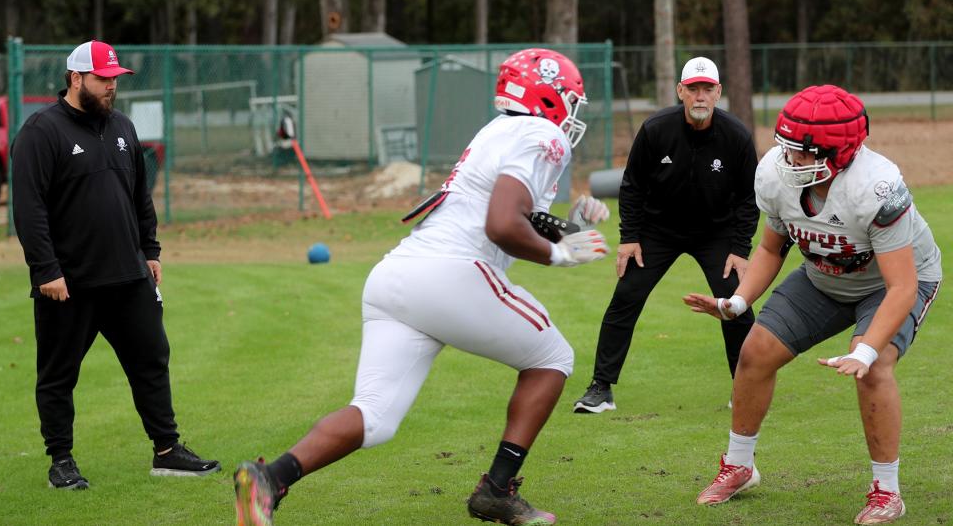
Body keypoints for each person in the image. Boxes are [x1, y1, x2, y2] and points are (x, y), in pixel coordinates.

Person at [232, 48, 611, 526]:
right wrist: (561, 253)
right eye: (569, 100)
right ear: (549, 95)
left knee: (374, 417)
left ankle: (269, 479)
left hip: (397, 275)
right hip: (452, 274)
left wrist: (570, 228)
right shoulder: (541, 133)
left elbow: (515, 215)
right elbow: (501, 223)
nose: (571, 114)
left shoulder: (497, 130)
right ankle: (496, 489)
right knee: (553, 359)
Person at [685, 84, 941, 524]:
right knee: (755, 352)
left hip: (891, 282)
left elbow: (902, 286)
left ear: (839, 151)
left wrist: (864, 349)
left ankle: (887, 492)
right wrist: (738, 302)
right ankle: (740, 465)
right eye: (786, 147)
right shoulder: (774, 174)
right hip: (824, 276)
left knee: (875, 369)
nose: (790, 159)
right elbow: (770, 249)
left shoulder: (877, 187)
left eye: (802, 151)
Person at [10, 40, 220, 490]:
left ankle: (167, 450)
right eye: (103, 78)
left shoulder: (123, 127)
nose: (111, 86)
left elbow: (140, 196)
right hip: (69, 283)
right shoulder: (40, 133)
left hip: (128, 276)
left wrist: (151, 250)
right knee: (58, 374)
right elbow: (29, 209)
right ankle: (61, 460)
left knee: (151, 360)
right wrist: (45, 270)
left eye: (115, 79)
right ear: (75, 78)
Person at [573, 56, 758, 414]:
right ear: (681, 91)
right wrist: (629, 237)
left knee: (737, 306)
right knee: (625, 298)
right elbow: (632, 186)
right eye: (693, 89)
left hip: (716, 233)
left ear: (719, 92)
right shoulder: (657, 129)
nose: (700, 96)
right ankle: (601, 388)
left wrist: (740, 248)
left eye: (707, 89)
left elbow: (750, 197)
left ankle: (746, 389)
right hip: (657, 231)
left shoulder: (736, 136)